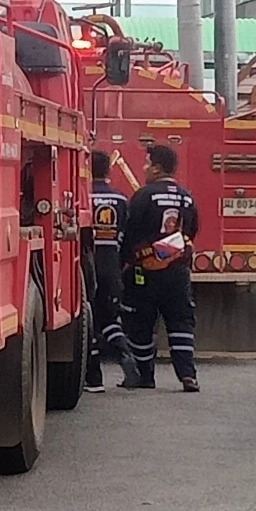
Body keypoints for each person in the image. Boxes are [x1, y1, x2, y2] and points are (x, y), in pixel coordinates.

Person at [120, 144, 200, 392]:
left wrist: (124, 262)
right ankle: (188, 375)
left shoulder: (143, 196)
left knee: (141, 323)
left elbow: (129, 232)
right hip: (178, 272)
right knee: (181, 322)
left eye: (146, 163)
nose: (144, 168)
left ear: (156, 167)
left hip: (146, 272)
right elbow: (192, 230)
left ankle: (146, 376)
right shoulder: (187, 196)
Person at [85, 151, 141, 393]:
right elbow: (130, 238)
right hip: (112, 266)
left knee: (88, 323)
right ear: (108, 171)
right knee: (109, 318)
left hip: (87, 266)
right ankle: (126, 354)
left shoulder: (83, 196)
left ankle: (94, 378)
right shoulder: (121, 200)